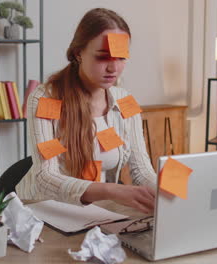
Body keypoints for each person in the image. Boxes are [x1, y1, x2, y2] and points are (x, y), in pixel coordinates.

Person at [15, 8, 157, 214]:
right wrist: (110, 190)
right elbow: (45, 177)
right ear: (78, 53)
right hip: (41, 210)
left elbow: (142, 171)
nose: (113, 69)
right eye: (102, 57)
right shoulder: (46, 98)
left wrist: (171, 191)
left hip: (94, 211)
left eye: (121, 58)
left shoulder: (125, 101)